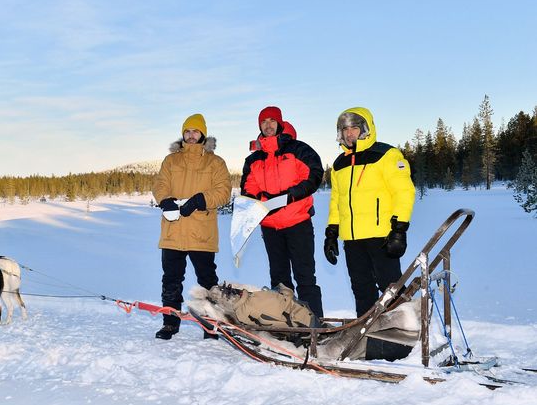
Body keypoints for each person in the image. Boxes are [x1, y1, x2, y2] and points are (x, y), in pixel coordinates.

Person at [324, 107, 416, 317]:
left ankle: (400, 329)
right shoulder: (339, 164)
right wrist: (331, 233)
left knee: (390, 288)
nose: (349, 134)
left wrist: (399, 229)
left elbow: (404, 192)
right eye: (345, 129)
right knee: (361, 289)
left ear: (365, 129)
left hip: (381, 236)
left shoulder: (387, 155)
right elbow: (336, 202)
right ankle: (365, 333)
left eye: (354, 128)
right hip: (352, 239)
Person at [152, 113, 232, 340]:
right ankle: (170, 323)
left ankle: (211, 325)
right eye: (187, 131)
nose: (190, 135)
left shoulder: (215, 162)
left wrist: (200, 200)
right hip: (173, 231)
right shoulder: (171, 161)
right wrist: (164, 199)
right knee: (171, 279)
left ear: (203, 134)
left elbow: (223, 191)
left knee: (207, 281)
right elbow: (160, 184)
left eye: (195, 131)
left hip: (201, 232)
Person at [240, 106, 325, 318]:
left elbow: (314, 175)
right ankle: (286, 325)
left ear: (280, 123)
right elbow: (248, 190)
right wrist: (263, 201)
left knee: (305, 277)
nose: (268, 125)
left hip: (298, 223)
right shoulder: (253, 159)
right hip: (270, 228)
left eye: (272, 121)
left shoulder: (298, 149)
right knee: (279, 281)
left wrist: (290, 195)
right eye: (264, 122)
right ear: (259, 126)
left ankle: (314, 327)